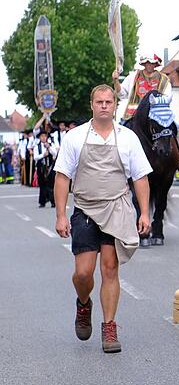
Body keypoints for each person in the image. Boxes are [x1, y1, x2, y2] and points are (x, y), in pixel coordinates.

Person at [53, 84, 152, 354]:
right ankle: (83, 302)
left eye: (109, 101)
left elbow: (140, 177)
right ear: (92, 104)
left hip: (117, 209)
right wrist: (61, 215)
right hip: (85, 209)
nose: (105, 106)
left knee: (110, 268)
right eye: (100, 102)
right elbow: (62, 176)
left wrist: (144, 212)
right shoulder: (74, 137)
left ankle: (109, 326)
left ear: (115, 105)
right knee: (83, 272)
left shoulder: (128, 138)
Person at [113, 54, 172, 123]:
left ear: (156, 64)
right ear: (144, 63)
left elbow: (168, 98)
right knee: (122, 130)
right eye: (148, 63)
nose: (150, 65)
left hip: (156, 116)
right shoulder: (133, 76)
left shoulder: (164, 80)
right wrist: (116, 81)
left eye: (152, 63)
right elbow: (121, 94)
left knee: (171, 128)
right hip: (133, 115)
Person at [34, 129, 58, 207]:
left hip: (50, 167)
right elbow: (35, 157)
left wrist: (49, 148)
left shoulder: (51, 144)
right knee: (42, 184)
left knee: (51, 184)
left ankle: (53, 201)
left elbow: (55, 153)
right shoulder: (37, 147)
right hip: (41, 167)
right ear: (39, 138)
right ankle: (42, 202)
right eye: (42, 136)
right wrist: (43, 155)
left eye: (45, 136)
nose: (44, 138)